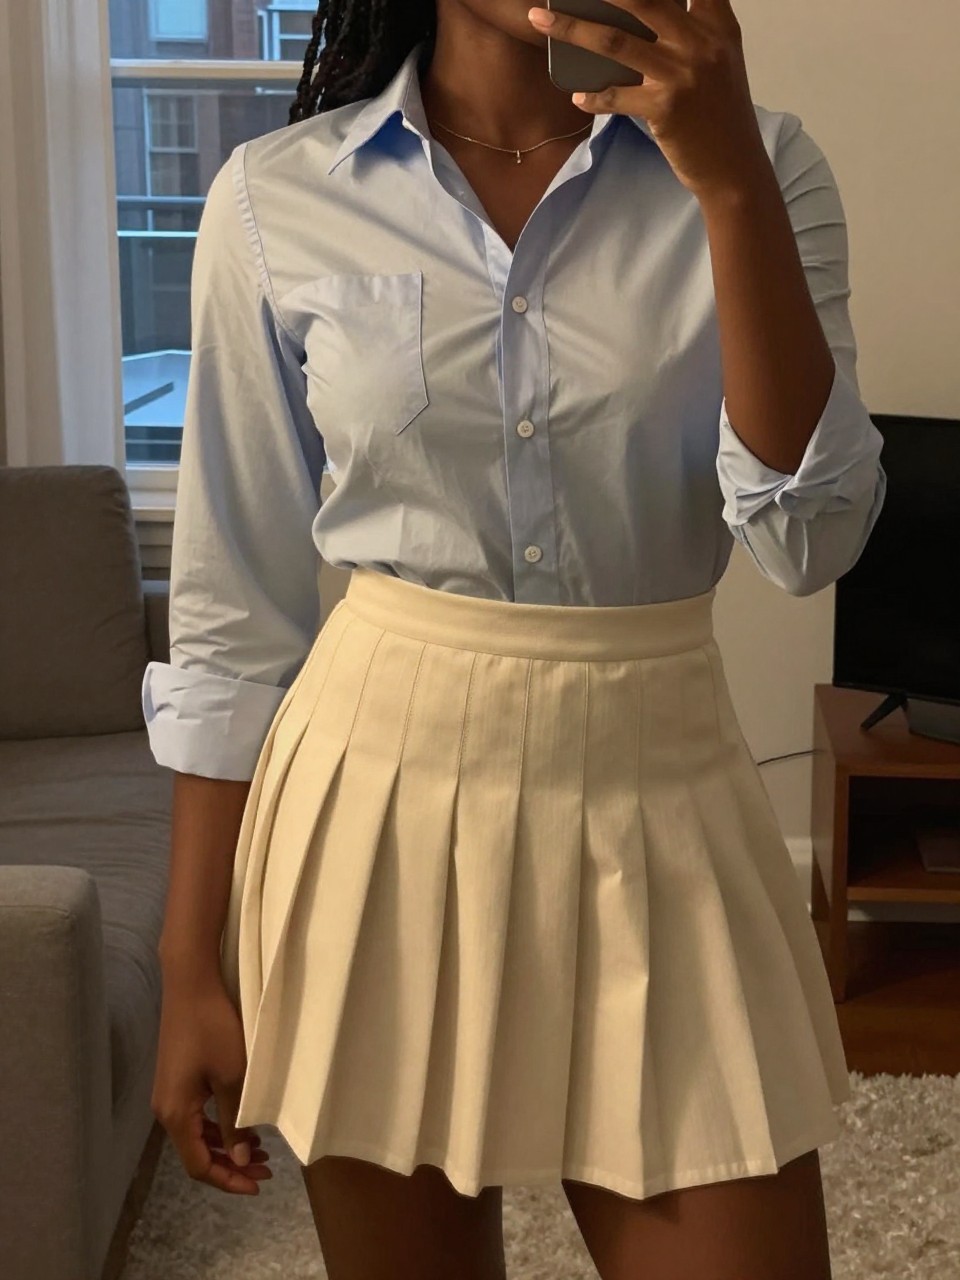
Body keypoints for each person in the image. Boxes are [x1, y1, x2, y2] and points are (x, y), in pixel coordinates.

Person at [143, 1, 887, 1277]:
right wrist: (185, 959)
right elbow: (234, 613)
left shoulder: (761, 163)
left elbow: (809, 536)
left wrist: (725, 185)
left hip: (658, 801)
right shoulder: (279, 197)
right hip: (372, 807)